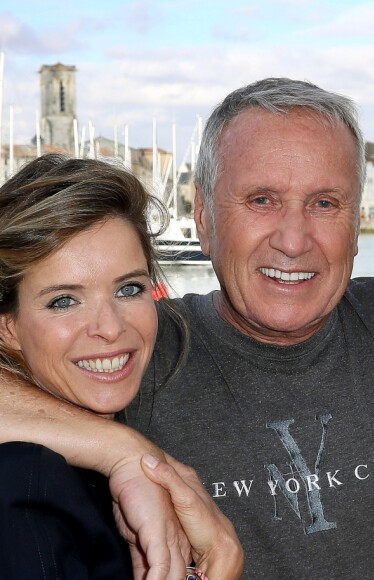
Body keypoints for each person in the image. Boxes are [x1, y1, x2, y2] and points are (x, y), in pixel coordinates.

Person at [0, 79, 374, 577]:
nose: (293, 240)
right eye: (262, 200)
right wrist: (120, 449)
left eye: (324, 203)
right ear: (203, 217)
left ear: (355, 225)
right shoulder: (132, 347)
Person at [0, 154, 243, 579]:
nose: (110, 328)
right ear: (9, 328)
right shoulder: (24, 489)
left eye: (129, 288)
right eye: (64, 300)